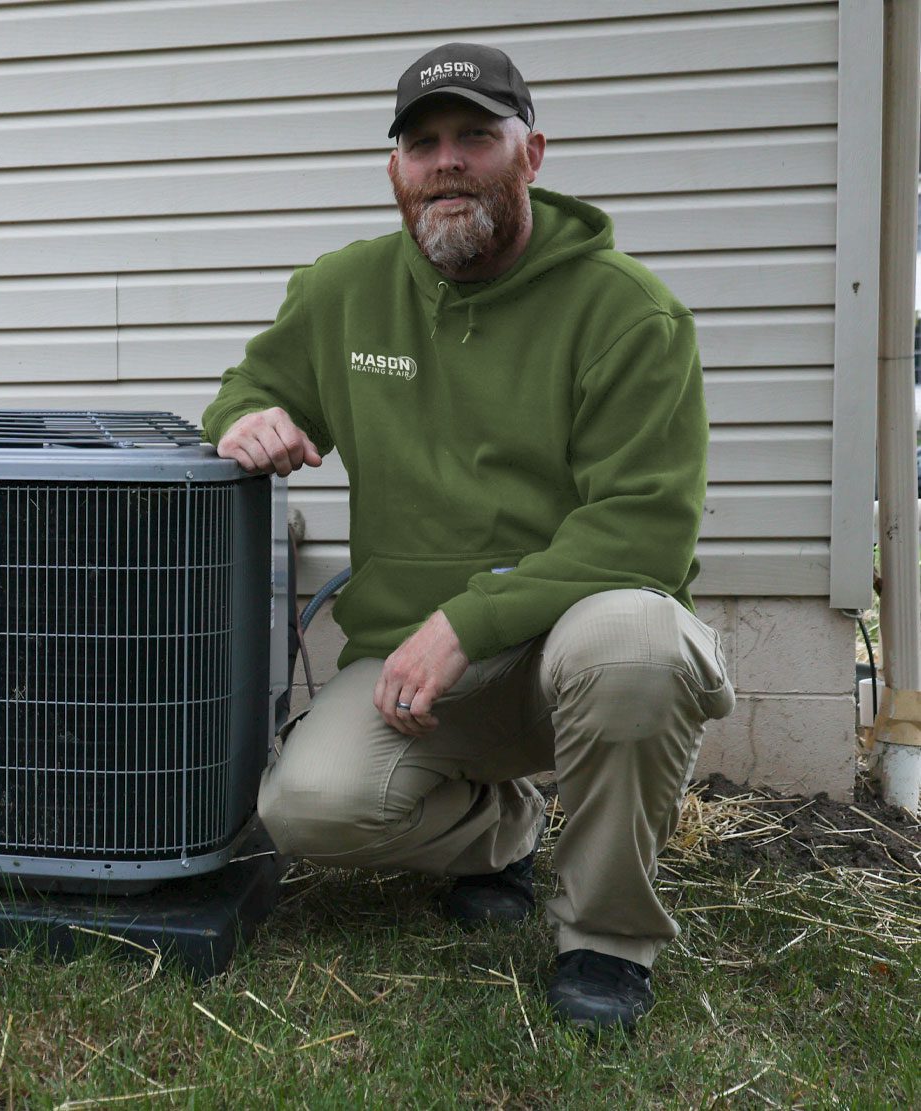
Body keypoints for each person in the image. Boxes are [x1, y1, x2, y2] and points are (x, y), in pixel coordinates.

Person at [202, 42, 735, 1032]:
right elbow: (254, 387)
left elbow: (644, 530)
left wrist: (469, 618)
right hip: (416, 671)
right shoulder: (342, 293)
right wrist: (247, 418)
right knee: (305, 808)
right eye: (423, 142)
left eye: (475, 137)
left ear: (530, 153)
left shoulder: (629, 314)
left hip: (573, 649)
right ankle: (501, 837)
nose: (446, 161)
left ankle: (605, 942)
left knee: (635, 643)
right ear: (395, 171)